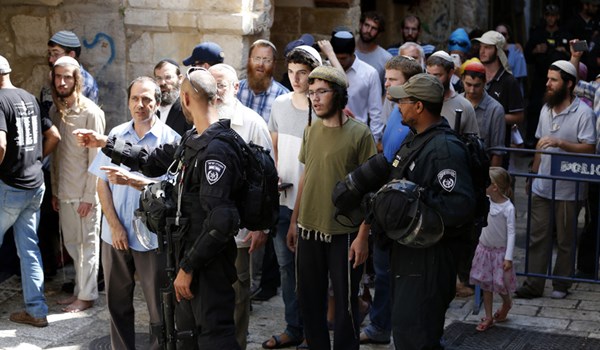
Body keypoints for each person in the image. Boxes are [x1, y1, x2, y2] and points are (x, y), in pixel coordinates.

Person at [76, 68, 243, 348]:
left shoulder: (217, 149)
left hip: (207, 265)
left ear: (186, 100)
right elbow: (153, 160)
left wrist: (188, 268)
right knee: (188, 335)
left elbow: (221, 221)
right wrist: (106, 142)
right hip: (188, 256)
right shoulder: (193, 139)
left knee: (215, 336)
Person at [287, 65, 376, 349]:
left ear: (337, 95)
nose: (314, 98)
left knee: (346, 304)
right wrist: (294, 221)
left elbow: (372, 190)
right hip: (308, 230)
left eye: (321, 92)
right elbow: (306, 177)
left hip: (346, 233)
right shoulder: (310, 131)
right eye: (311, 93)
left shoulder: (360, 134)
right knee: (310, 301)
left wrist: (363, 236)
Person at [88, 76, 181, 349]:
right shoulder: (115, 135)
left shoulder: (170, 141)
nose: (140, 105)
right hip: (114, 235)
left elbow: (171, 190)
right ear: (128, 102)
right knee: (116, 304)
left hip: (151, 238)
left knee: (159, 308)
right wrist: (114, 225)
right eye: (135, 99)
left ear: (157, 103)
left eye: (146, 99)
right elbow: (101, 183)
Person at [385, 73, 475, 349]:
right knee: (406, 331)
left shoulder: (444, 149)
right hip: (411, 255)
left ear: (420, 106)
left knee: (417, 336)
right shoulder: (417, 139)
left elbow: (459, 205)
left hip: (430, 261)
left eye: (404, 101)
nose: (398, 105)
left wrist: (413, 201)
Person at [515, 60, 596, 299]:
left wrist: (561, 143)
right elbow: (540, 145)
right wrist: (533, 173)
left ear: (568, 84)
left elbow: (590, 148)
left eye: (553, 80)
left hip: (569, 189)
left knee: (565, 238)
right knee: (537, 235)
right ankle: (533, 284)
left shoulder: (583, 113)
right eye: (548, 79)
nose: (548, 84)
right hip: (543, 185)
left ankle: (561, 284)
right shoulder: (545, 109)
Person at [207, 63, 273, 349]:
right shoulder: (201, 120)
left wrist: (262, 227)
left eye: (221, 84)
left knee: (237, 292)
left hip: (240, 229)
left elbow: (268, 178)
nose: (216, 91)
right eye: (212, 85)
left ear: (236, 87)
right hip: (206, 226)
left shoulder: (253, 123)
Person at [261, 45, 323, 349]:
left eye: (302, 73)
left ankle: (314, 330)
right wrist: (274, 176)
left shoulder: (320, 109)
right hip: (283, 200)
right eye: (291, 72)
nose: (296, 79)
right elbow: (272, 146)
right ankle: (293, 327)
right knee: (286, 269)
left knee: (311, 272)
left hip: (311, 203)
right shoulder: (279, 103)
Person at [360, 55, 423, 346]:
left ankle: (394, 327)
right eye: (386, 79)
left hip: (404, 208)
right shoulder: (396, 110)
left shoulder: (415, 117)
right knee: (383, 271)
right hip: (386, 204)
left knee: (396, 274)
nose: (386, 84)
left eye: (392, 80)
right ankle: (380, 326)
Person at [0, 55, 60, 327]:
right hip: (35, 185)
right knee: (29, 249)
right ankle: (36, 310)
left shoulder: (0, 102)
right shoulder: (27, 97)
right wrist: (36, 161)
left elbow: (0, 145)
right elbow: (54, 135)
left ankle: (35, 310)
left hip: (9, 186)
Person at [50, 56, 105, 313]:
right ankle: (79, 292)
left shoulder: (91, 112)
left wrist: (88, 196)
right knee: (73, 246)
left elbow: (97, 159)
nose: (62, 82)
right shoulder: (54, 111)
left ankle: (87, 295)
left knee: (87, 246)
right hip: (64, 191)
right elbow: (56, 157)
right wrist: (54, 190)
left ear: (77, 80)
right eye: (58, 77)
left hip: (84, 194)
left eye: (67, 77)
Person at [469, 167, 517, 332]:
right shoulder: (485, 200)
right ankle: (488, 316)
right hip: (484, 250)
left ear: (495, 186)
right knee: (486, 285)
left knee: (500, 284)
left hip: (499, 253)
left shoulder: (508, 208)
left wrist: (508, 257)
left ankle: (506, 302)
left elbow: (511, 233)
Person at [524, 4, 571, 147]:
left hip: (560, 79)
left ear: (557, 17)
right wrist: (536, 50)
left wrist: (565, 51)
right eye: (548, 15)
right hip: (540, 77)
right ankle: (532, 139)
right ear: (545, 17)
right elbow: (526, 56)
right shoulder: (537, 34)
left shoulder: (565, 34)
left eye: (553, 15)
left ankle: (557, 139)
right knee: (535, 107)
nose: (551, 19)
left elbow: (578, 55)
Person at [330, 30, 384, 144]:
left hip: (357, 137)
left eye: (343, 58)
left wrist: (373, 141)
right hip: (329, 134)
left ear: (353, 52)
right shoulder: (326, 69)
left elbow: (376, 112)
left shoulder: (370, 73)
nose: (339, 62)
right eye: (336, 58)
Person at [461, 59, 506, 167]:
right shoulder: (456, 103)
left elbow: (497, 151)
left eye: (477, 86)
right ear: (462, 80)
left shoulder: (496, 109)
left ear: (484, 83)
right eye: (468, 84)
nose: (472, 90)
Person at [42, 30, 99, 115]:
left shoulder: (87, 83)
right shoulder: (52, 76)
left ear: (71, 55)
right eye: (50, 54)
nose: (51, 59)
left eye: (56, 54)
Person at [425, 51, 479, 134]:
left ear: (450, 73)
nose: (431, 81)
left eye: (437, 75)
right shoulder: (419, 102)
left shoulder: (465, 106)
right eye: (428, 74)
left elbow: (473, 143)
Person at [238, 39, 290, 123]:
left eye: (266, 60)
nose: (260, 64)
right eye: (257, 58)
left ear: (274, 64)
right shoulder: (237, 90)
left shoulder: (283, 97)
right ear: (249, 60)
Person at [355, 11, 392, 93]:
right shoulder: (348, 52)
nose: (368, 30)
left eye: (374, 28)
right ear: (360, 25)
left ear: (379, 34)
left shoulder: (386, 58)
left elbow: (388, 92)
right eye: (366, 25)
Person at [153, 59, 192, 136]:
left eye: (168, 77)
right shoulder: (151, 109)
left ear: (180, 79)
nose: (162, 83)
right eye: (158, 78)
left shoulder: (188, 109)